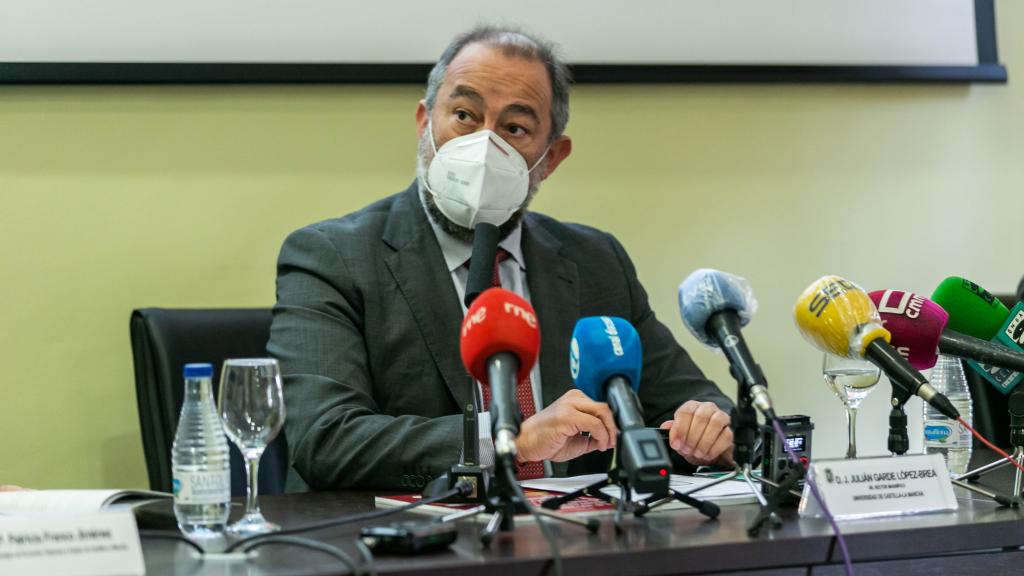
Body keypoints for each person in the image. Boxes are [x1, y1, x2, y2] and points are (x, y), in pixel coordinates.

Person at [269, 26, 735, 492]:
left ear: (551, 158)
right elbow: (325, 440)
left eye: (514, 128)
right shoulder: (332, 257)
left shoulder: (595, 260)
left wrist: (708, 429)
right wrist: (511, 440)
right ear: (424, 122)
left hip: (572, 541)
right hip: (404, 549)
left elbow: (690, 403)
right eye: (465, 115)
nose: (484, 146)